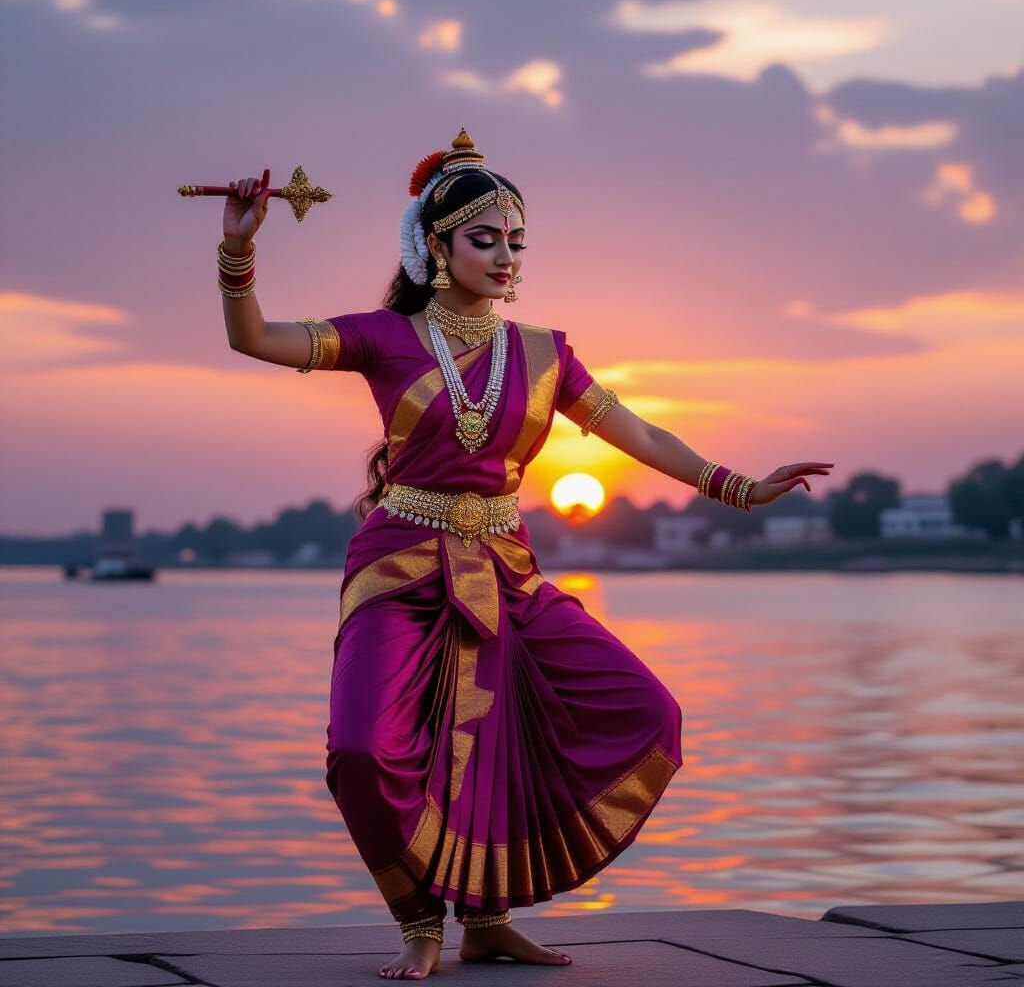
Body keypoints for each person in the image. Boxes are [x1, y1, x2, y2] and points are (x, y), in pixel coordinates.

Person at [219, 128, 834, 980]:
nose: (507, 256)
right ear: (435, 246)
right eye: (485, 239)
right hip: (398, 570)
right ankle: (416, 919)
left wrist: (739, 488)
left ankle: (487, 919)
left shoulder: (544, 352)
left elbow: (637, 430)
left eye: (516, 241)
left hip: (506, 570)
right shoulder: (381, 336)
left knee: (637, 713)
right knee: (364, 750)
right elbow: (255, 339)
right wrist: (238, 251)